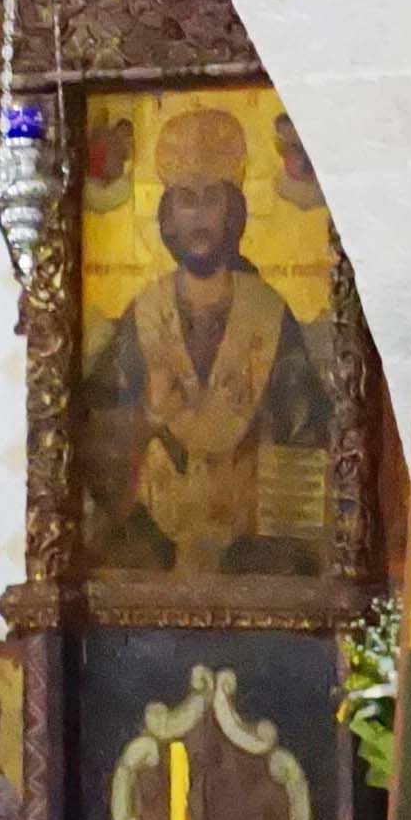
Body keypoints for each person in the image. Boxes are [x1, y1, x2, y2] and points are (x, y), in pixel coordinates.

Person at [89, 106, 338, 573]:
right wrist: (145, 417)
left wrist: (265, 437)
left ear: (233, 213)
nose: (200, 216)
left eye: (212, 199)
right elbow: (94, 427)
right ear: (167, 219)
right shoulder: (145, 314)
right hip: (153, 536)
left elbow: (307, 436)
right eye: (186, 200)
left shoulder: (267, 312)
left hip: (250, 544)